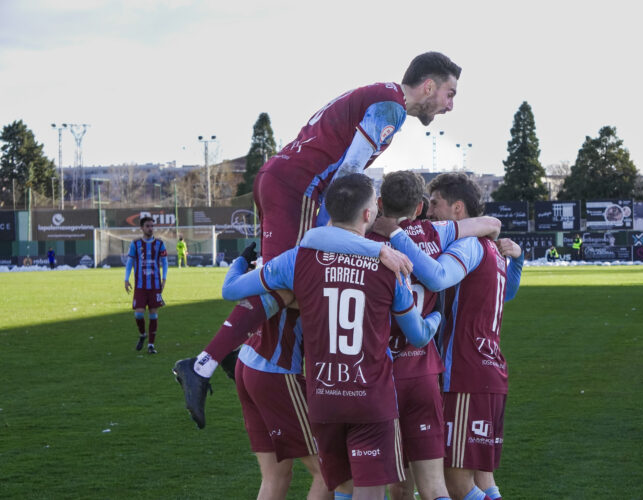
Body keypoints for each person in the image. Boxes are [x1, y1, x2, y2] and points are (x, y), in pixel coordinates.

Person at [173, 52, 460, 426]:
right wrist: (349, 235)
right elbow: (347, 173)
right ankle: (204, 363)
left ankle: (229, 351)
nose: (450, 106)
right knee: (293, 279)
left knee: (288, 279)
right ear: (428, 86)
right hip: (300, 189)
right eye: (449, 94)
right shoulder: (391, 109)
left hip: (281, 179)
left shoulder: (378, 94)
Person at [222, 174, 445, 500]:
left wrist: (240, 261)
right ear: (369, 215)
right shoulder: (388, 266)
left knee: (342, 488)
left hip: (324, 394)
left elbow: (232, 289)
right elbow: (418, 335)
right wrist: (437, 317)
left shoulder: (297, 259)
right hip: (370, 396)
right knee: (368, 493)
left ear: (327, 211)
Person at [367, 173, 523, 500]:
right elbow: (505, 292)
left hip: (461, 371)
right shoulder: (480, 245)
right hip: (476, 368)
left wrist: (395, 232)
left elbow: (437, 278)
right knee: (480, 478)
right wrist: (517, 260)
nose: (430, 212)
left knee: (454, 483)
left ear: (457, 208)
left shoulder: (466, 244)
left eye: (436, 204)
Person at [125, 216, 167, 353]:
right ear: (142, 228)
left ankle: (151, 345)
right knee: (138, 314)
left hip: (155, 285)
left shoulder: (160, 244)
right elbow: (130, 263)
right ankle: (143, 334)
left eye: (151, 226)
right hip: (140, 285)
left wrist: (164, 279)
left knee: (153, 313)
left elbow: (165, 263)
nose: (150, 228)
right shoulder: (135, 244)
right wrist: (126, 279)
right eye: (147, 226)